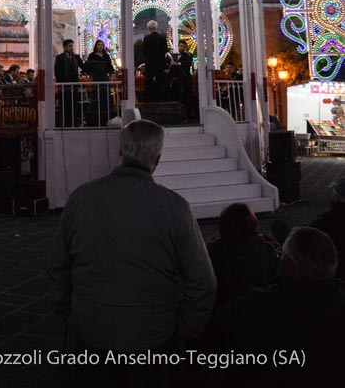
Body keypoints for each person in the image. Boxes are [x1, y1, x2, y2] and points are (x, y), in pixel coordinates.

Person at [46, 119, 216, 387]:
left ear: (120, 152)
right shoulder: (175, 208)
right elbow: (203, 282)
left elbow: (57, 265)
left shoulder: (80, 199)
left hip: (91, 330)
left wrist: (69, 312)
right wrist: (185, 328)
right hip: (154, 335)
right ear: (157, 160)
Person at [211, 226, 345, 385]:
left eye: (281, 255)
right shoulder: (338, 303)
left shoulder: (254, 306)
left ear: (290, 265)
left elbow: (219, 326)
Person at [206, 202, 280, 308]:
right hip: (264, 312)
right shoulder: (269, 251)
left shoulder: (213, 253)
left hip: (226, 315)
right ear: (254, 225)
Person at [271, 175, 345, 279]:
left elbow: (305, 236)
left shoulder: (329, 220)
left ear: (337, 197)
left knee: (277, 226)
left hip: (325, 265)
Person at [54, 39, 85, 127]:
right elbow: (57, 72)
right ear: (64, 47)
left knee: (75, 105)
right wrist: (61, 85)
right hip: (65, 86)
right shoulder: (60, 58)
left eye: (72, 46)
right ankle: (66, 123)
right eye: (69, 46)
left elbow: (83, 67)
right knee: (66, 105)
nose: (72, 48)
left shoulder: (76, 57)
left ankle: (74, 122)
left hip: (74, 86)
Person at [85, 39, 115, 124]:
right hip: (96, 77)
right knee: (97, 96)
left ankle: (107, 114)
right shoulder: (92, 56)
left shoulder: (106, 55)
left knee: (106, 95)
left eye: (102, 45)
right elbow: (89, 69)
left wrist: (111, 78)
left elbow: (110, 68)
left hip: (105, 77)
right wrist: (91, 79)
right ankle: (97, 114)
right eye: (99, 45)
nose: (100, 46)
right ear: (96, 46)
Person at [141, 19, 168, 101]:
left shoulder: (147, 38)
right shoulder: (162, 38)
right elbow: (165, 51)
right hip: (160, 62)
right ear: (156, 28)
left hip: (150, 63)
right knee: (160, 80)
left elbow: (144, 51)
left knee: (149, 80)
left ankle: (149, 98)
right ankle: (161, 98)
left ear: (149, 28)